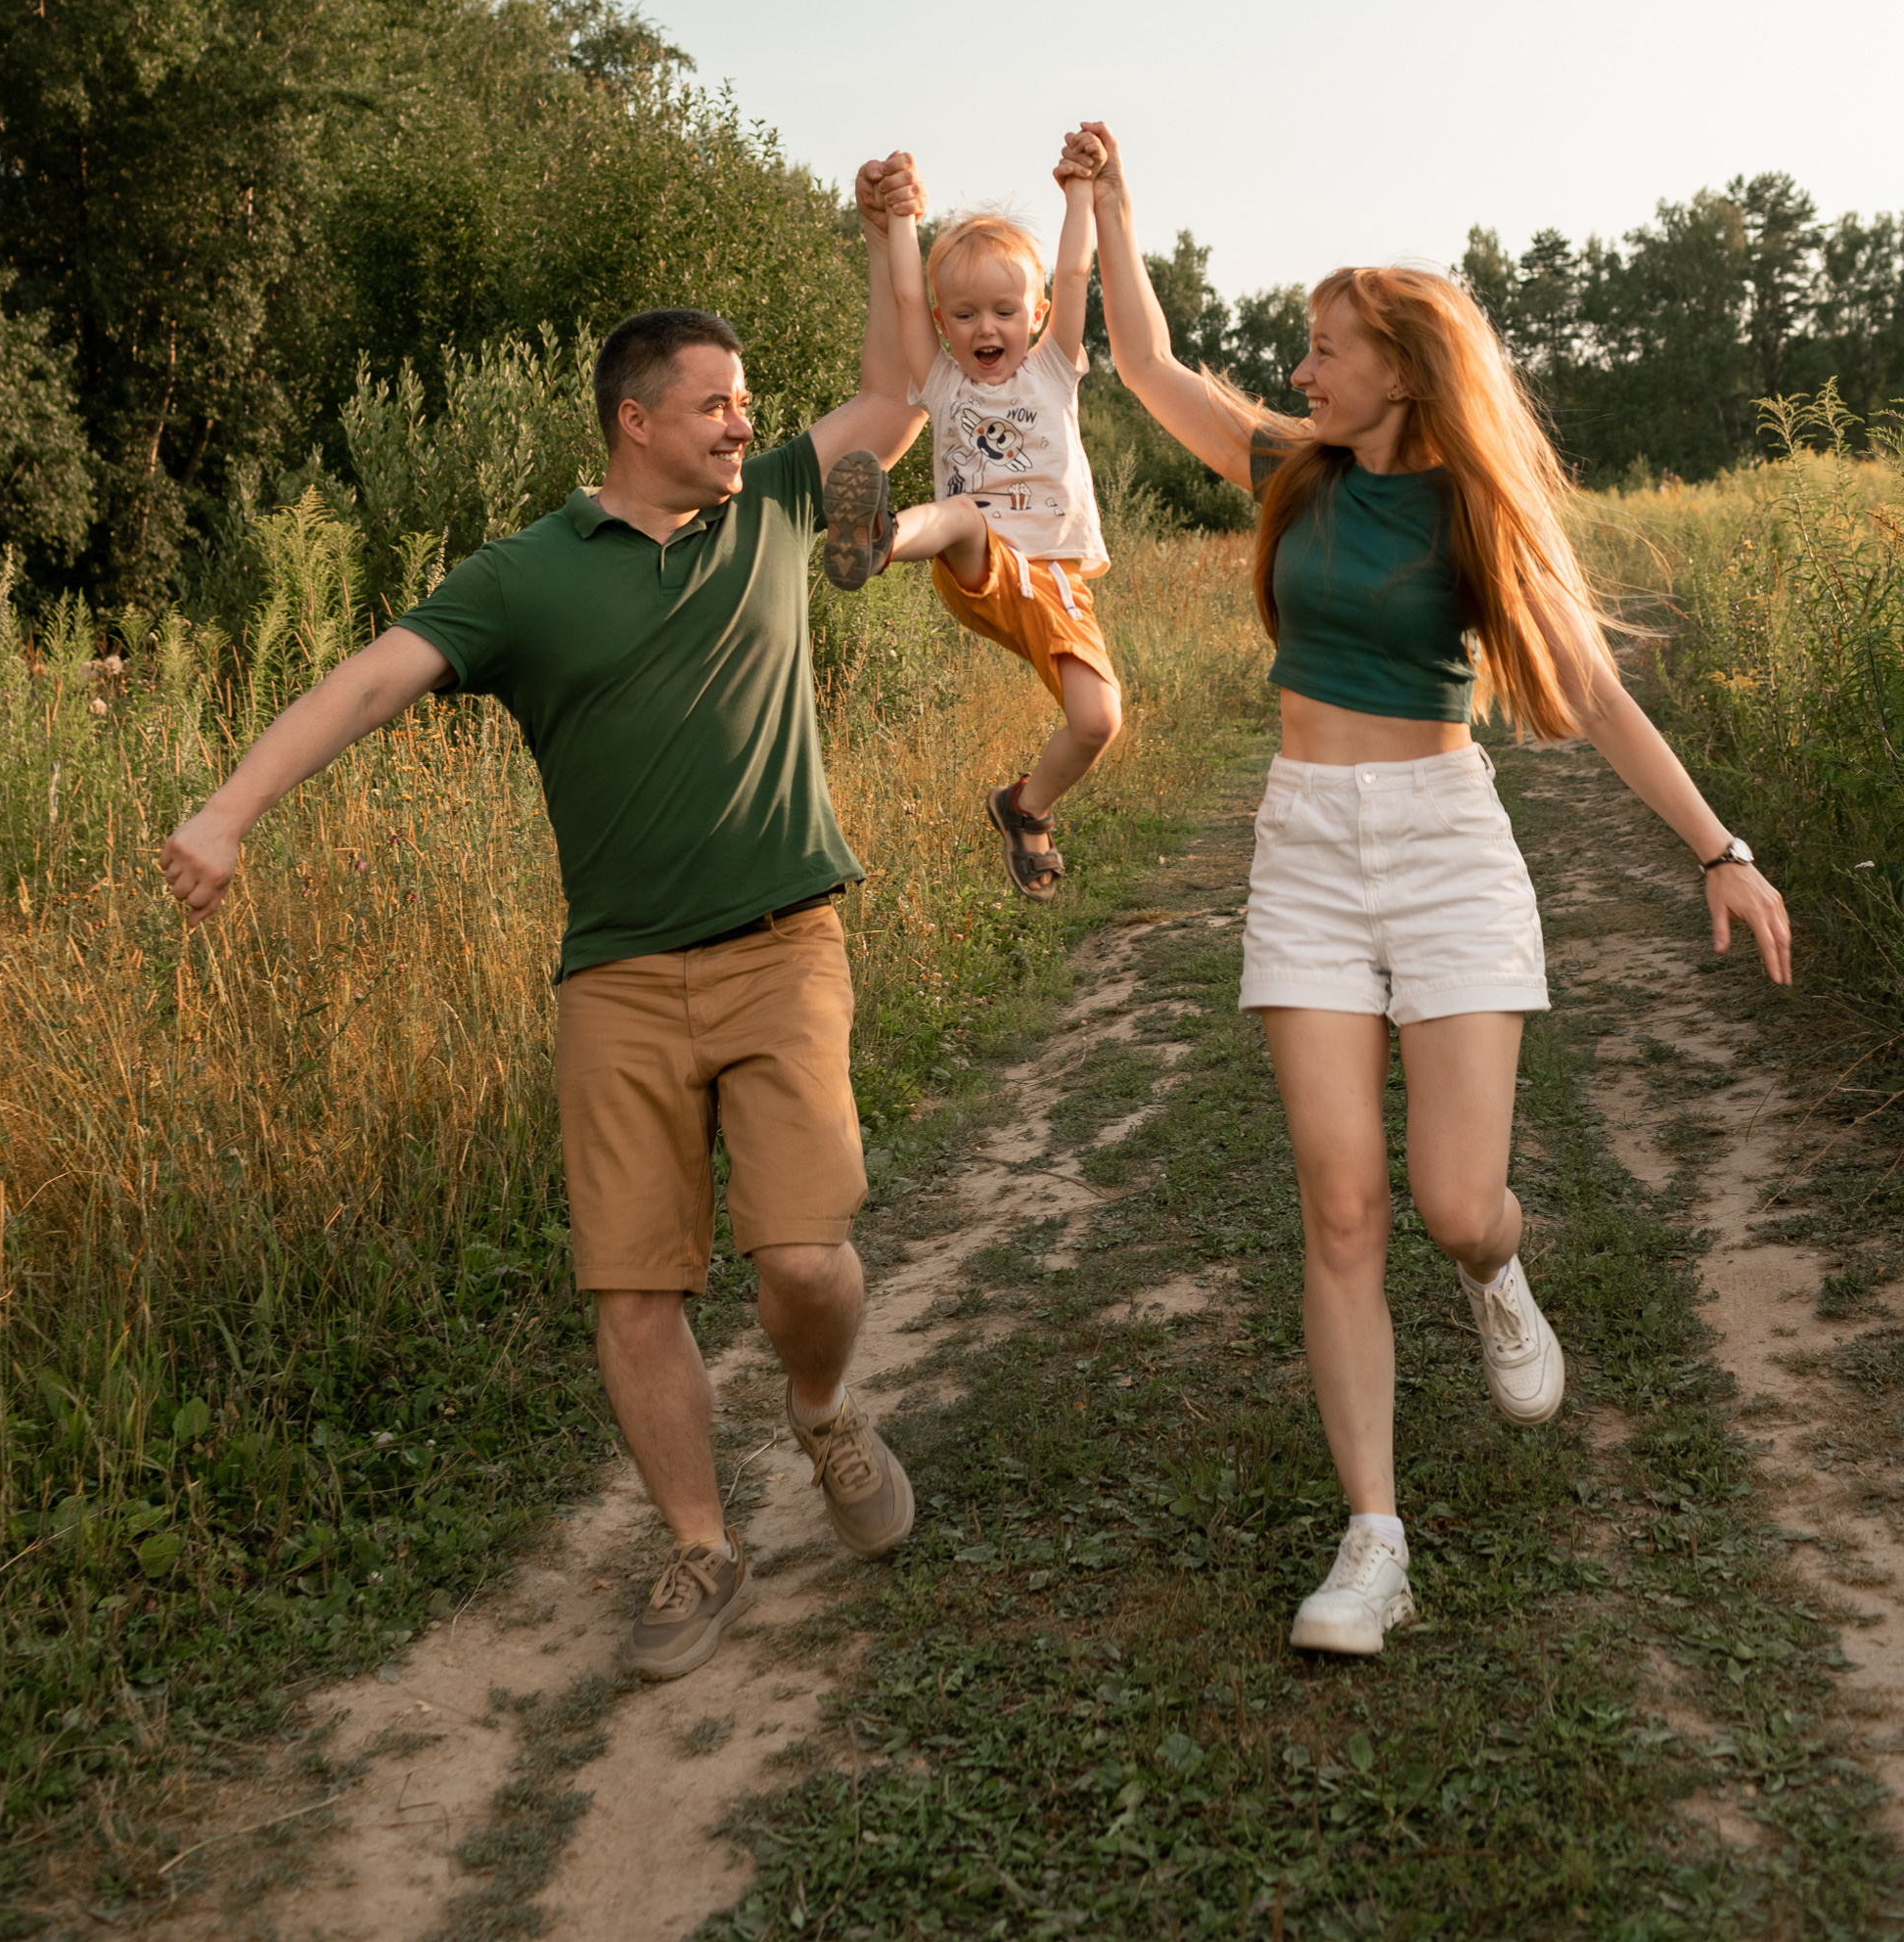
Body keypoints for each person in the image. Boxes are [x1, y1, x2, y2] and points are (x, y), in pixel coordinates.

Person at [159, 160, 931, 1686]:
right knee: (635, 1287)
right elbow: (368, 684)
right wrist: (229, 810)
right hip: (621, 982)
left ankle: (826, 1415)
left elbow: (898, 392)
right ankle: (702, 1545)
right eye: (711, 401)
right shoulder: (520, 577)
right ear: (634, 418)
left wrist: (891, 227)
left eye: (746, 400)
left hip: (786, 945)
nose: (738, 420)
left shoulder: (782, 501)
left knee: (807, 1267)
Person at [1065, 120, 1791, 1658]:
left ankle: (1496, 1270)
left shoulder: (1471, 509)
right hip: (1308, 848)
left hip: (1449, 846)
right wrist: (1116, 208)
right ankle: (1374, 1540)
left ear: (1402, 369)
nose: (1301, 368)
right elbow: (1142, 363)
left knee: (1451, 1201)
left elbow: (1590, 696)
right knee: (1340, 1206)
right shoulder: (1291, 469)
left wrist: (1718, 849)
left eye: (1326, 350)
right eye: (1304, 350)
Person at [819, 149, 1122, 902]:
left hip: (1054, 582)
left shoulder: (1054, 368)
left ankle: (1025, 809)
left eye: (1004, 311)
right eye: (963, 314)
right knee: (961, 513)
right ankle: (876, 540)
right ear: (941, 324)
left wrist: (1080, 191)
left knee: (1098, 721)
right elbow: (899, 290)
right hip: (970, 557)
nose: (985, 328)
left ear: (1038, 316)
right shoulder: (942, 378)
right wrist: (900, 218)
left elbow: (1078, 274)